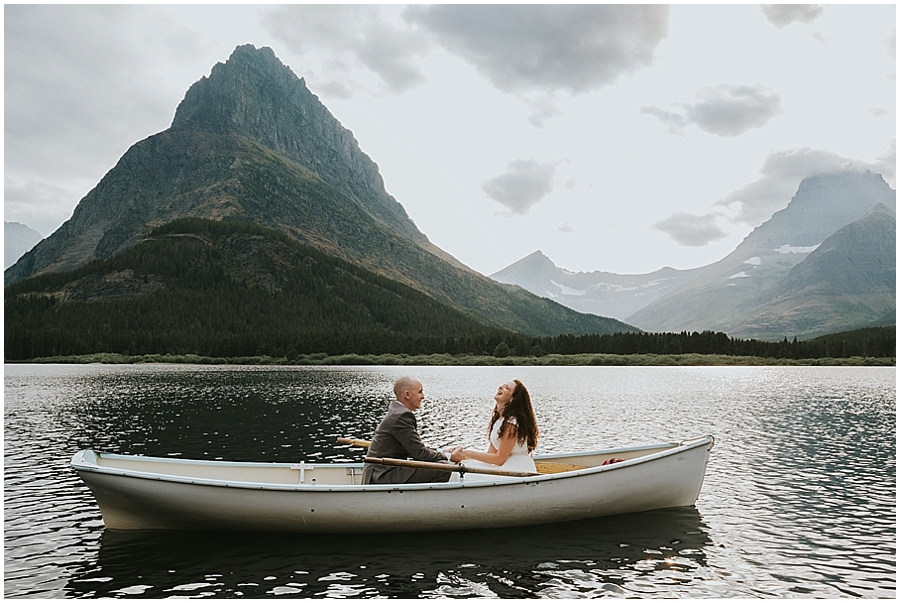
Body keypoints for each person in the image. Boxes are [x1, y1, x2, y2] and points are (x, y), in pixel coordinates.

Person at [362, 377, 465, 485]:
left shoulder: (397, 412)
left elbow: (415, 448)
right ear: (407, 395)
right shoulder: (402, 416)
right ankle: (424, 500)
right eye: (420, 392)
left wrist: (444, 451)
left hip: (383, 471)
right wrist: (451, 457)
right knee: (443, 467)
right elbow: (419, 453)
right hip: (383, 475)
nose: (423, 396)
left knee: (439, 463)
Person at [450, 379, 539, 474]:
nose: (501, 387)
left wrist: (466, 452)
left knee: (461, 473)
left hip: (516, 467)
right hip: (504, 464)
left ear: (512, 399)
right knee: (458, 465)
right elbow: (491, 455)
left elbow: (499, 459)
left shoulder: (512, 422)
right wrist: (460, 454)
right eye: (503, 385)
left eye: (506, 388)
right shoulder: (500, 420)